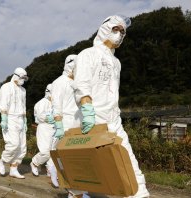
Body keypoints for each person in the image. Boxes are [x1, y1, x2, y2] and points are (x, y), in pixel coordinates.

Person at [73, 15, 150, 198]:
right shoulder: (87, 54)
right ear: (104, 29)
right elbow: (81, 84)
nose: (119, 35)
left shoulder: (117, 62)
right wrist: (87, 110)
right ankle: (80, 193)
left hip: (114, 118)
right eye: (116, 29)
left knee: (126, 157)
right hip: (94, 117)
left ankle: (139, 193)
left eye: (123, 32)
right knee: (95, 166)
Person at [51, 55, 87, 197]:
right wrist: (58, 124)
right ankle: (74, 192)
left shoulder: (78, 83)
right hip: (65, 125)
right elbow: (56, 105)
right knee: (69, 162)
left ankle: (77, 191)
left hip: (78, 125)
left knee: (79, 162)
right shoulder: (59, 82)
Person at [0, 67, 28, 179]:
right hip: (10, 118)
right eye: (22, 77)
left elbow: (23, 105)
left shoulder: (23, 90)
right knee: (13, 144)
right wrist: (4, 118)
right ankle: (2, 161)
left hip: (20, 118)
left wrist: (25, 120)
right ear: (16, 75)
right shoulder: (6, 87)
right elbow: (3, 103)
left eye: (25, 78)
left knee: (22, 146)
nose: (23, 80)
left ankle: (13, 169)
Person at [30, 84, 59, 188]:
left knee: (54, 151)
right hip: (44, 128)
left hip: (55, 128)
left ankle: (50, 170)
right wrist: (49, 118)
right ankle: (34, 163)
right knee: (45, 152)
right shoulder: (41, 103)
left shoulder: (56, 103)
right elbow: (39, 117)